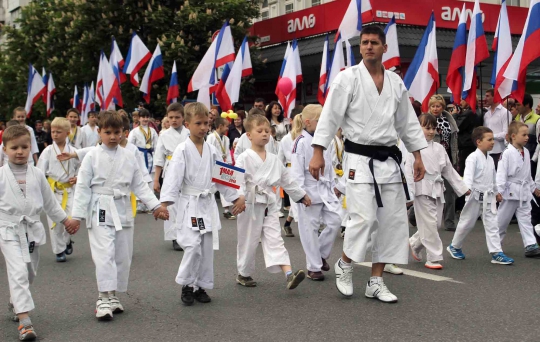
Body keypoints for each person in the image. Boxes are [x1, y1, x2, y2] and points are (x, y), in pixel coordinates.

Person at [308, 25, 427, 303]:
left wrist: (418, 155)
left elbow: (408, 123)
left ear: (385, 48)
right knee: (363, 218)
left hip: (390, 161)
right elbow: (329, 118)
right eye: (364, 42)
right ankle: (345, 264)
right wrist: (318, 151)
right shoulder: (347, 79)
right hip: (359, 160)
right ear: (359, 48)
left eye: (374, 42)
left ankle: (376, 281)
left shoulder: (396, 82)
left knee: (392, 222)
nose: (369, 46)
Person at [70, 111, 168, 321]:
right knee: (104, 253)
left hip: (122, 207)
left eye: (117, 132)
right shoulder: (92, 156)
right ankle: (102, 297)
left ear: (124, 133)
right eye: (108, 132)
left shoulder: (129, 156)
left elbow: (139, 185)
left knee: (122, 254)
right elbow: (82, 187)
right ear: (99, 132)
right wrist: (76, 216)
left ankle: (113, 294)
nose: (113, 137)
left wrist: (155, 205)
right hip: (100, 207)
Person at [159, 102, 245, 306]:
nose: (203, 127)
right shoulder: (181, 150)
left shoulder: (211, 149)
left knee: (206, 246)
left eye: (206, 123)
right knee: (192, 246)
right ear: (187, 125)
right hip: (190, 204)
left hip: (206, 203)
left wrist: (237, 196)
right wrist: (164, 204)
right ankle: (186, 285)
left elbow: (222, 176)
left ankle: (200, 286)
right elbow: (173, 179)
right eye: (198, 123)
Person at [0, 125, 77, 340]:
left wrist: (66, 221)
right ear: (4, 149)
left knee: (29, 272)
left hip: (31, 228)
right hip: (8, 229)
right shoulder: (1, 175)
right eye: (14, 147)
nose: (19, 151)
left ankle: (16, 301)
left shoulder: (37, 174)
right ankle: (25, 322)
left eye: (24, 147)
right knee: (18, 272)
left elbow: (50, 203)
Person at [234, 113, 310, 288]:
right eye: (259, 130)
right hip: (250, 204)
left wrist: (301, 195)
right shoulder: (244, 157)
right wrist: (238, 197)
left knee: (275, 238)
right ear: (249, 135)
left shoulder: (274, 159)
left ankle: (289, 274)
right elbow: (236, 180)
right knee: (249, 240)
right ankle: (244, 273)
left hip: (269, 204)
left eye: (267, 131)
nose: (264, 134)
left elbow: (287, 180)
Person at [406, 114, 469, 270]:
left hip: (437, 188)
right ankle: (433, 257)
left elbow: (449, 170)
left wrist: (462, 187)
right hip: (421, 187)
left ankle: (414, 242)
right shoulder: (413, 149)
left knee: (435, 224)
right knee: (430, 224)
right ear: (417, 128)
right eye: (427, 128)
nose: (431, 131)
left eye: (434, 128)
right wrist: (409, 193)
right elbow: (408, 171)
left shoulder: (439, 148)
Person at [447, 126, 514, 264]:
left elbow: (493, 178)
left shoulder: (489, 159)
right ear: (478, 141)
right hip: (474, 196)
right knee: (467, 223)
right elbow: (468, 176)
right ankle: (454, 246)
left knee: (492, 224)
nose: (493, 142)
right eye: (489, 139)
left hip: (488, 196)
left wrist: (496, 193)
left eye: (493, 139)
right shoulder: (473, 157)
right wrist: (467, 190)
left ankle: (496, 252)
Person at [291, 105, 341, 281]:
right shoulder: (300, 142)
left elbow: (330, 166)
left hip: (326, 190)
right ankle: (314, 267)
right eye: (320, 121)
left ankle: (320, 254)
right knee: (309, 230)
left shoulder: (325, 141)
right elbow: (296, 173)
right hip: (309, 193)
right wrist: (300, 194)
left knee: (336, 220)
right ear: (307, 122)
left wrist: (335, 186)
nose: (323, 124)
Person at [37, 117, 80, 262]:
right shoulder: (48, 151)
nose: (55, 134)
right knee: (55, 222)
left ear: (67, 133)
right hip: (53, 191)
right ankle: (59, 250)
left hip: (69, 190)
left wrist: (77, 178)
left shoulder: (74, 151)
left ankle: (67, 240)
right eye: (53, 132)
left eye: (58, 132)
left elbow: (83, 169)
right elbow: (39, 171)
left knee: (71, 219)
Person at [496, 121, 540, 258]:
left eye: (527, 135)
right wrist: (499, 191)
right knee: (502, 220)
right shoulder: (507, 153)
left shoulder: (526, 152)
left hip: (524, 191)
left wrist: (533, 188)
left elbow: (527, 175)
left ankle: (530, 245)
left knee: (526, 218)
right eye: (524, 135)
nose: (527, 137)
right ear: (513, 136)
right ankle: (495, 244)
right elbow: (501, 174)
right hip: (509, 191)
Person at [153, 103, 190, 251]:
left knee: (187, 201)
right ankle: (174, 236)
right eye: (171, 117)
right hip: (170, 168)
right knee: (171, 202)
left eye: (177, 117)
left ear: (183, 118)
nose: (174, 120)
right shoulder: (164, 135)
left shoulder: (189, 132)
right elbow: (159, 158)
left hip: (188, 168)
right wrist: (156, 179)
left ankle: (187, 233)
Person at [428, 95, 460, 232]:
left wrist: (455, 158)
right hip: (431, 159)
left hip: (448, 158)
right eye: (433, 106)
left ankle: (450, 221)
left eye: (438, 106)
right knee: (429, 192)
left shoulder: (449, 120)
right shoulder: (425, 120)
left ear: (443, 107)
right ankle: (413, 214)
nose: (435, 109)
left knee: (450, 191)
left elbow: (454, 141)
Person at [278, 105, 303, 237]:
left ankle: (287, 223)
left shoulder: (306, 137)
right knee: (298, 199)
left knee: (301, 199)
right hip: (291, 171)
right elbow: (280, 159)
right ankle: (308, 230)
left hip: (304, 170)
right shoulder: (286, 139)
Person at [128, 108, 158, 211]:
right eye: (143, 117)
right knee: (140, 178)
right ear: (139, 118)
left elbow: (157, 145)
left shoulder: (153, 131)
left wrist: (157, 156)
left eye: (147, 117)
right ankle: (140, 203)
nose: (145, 119)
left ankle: (151, 204)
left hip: (151, 155)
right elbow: (130, 145)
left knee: (151, 179)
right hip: (140, 155)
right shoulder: (134, 131)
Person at [206, 117, 236, 220]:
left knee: (225, 186)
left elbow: (227, 152)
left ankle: (226, 211)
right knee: (211, 189)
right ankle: (207, 209)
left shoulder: (226, 139)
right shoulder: (211, 137)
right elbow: (208, 152)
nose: (228, 128)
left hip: (223, 165)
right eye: (226, 126)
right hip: (213, 164)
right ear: (220, 126)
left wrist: (228, 164)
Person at [483, 89, 512, 170]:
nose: (485, 98)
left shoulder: (505, 113)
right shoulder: (486, 114)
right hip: (487, 151)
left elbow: (506, 133)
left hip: (499, 151)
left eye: (488, 96)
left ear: (494, 97)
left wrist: (490, 136)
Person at [454, 100, 481, 176]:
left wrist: (455, 115)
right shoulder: (477, 111)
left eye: (462, 100)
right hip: (470, 143)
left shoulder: (469, 113)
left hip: (466, 144)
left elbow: (457, 126)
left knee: (464, 170)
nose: (460, 102)